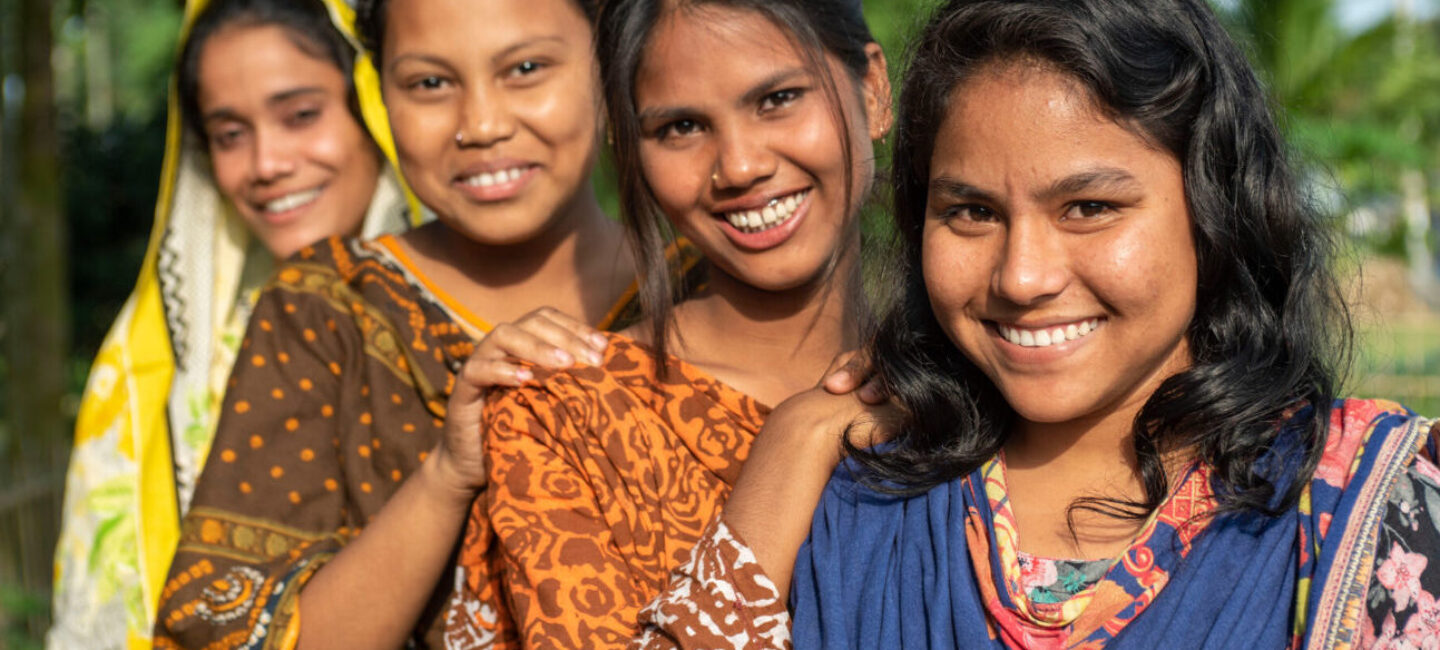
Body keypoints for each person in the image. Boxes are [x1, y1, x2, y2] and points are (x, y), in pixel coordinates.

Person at [681, 0, 1440, 647]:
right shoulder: (851, 500)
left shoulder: (1382, 502)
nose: (1022, 277)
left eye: (1088, 209)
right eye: (972, 212)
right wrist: (798, 439)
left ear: (1215, 210)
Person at [152, 0, 644, 646]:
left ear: (609, 64)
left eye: (525, 68)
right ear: (378, 94)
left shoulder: (706, 287)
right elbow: (222, 631)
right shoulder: (327, 311)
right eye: (429, 84)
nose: (482, 124)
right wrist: (444, 477)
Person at [441, 0, 892, 646]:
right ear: (632, 151)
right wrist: (798, 442)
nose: (739, 165)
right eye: (681, 127)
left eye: (778, 99)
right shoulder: (563, 418)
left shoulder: (977, 379)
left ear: (873, 91)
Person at [50, 0, 411, 646]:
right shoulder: (146, 375)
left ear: (373, 107)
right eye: (229, 134)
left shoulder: (477, 308)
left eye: (301, 115)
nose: (266, 162)